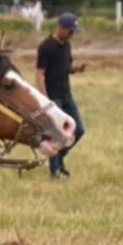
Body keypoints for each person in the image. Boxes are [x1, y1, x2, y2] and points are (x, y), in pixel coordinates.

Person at [35, 12, 87, 179]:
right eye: (70, 31)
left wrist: (76, 69)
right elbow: (39, 74)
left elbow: (66, 67)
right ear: (61, 28)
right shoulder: (46, 47)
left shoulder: (66, 45)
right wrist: (45, 99)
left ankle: (59, 158)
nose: (72, 35)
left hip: (66, 95)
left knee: (78, 129)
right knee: (56, 134)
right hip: (53, 97)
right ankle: (54, 171)